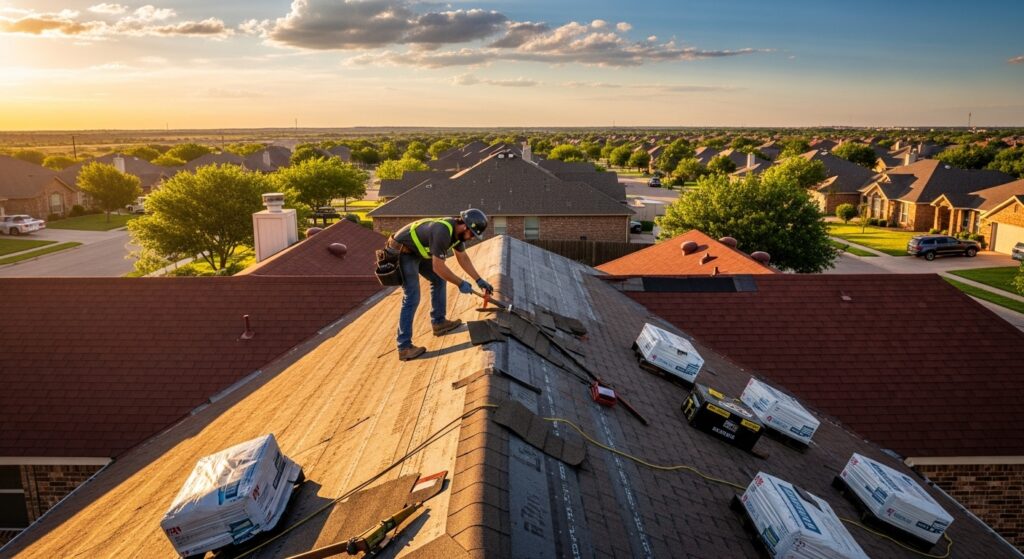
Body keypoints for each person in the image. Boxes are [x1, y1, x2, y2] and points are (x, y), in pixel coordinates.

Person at [385, 209, 494, 361]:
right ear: (465, 227)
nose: (471, 239)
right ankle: (404, 347)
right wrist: (460, 283)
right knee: (412, 296)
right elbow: (438, 267)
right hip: (403, 251)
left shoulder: (457, 235)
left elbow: (462, 258)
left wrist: (479, 280)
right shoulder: (443, 231)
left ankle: (439, 322)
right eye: (472, 234)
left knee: (438, 280)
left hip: (418, 252)